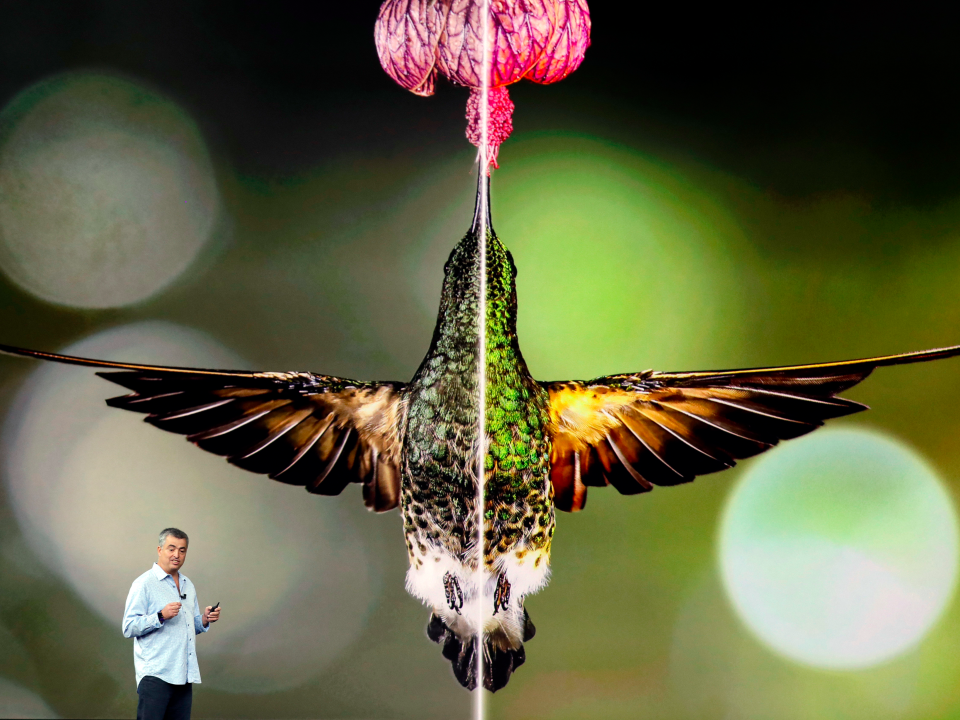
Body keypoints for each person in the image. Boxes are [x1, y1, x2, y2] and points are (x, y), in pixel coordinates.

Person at [122, 528, 221, 720]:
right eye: (171, 549)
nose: (177, 555)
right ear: (159, 550)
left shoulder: (188, 585)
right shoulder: (144, 584)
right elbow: (128, 627)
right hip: (156, 675)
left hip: (183, 674)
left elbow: (186, 627)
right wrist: (160, 615)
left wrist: (204, 619)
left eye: (182, 550)